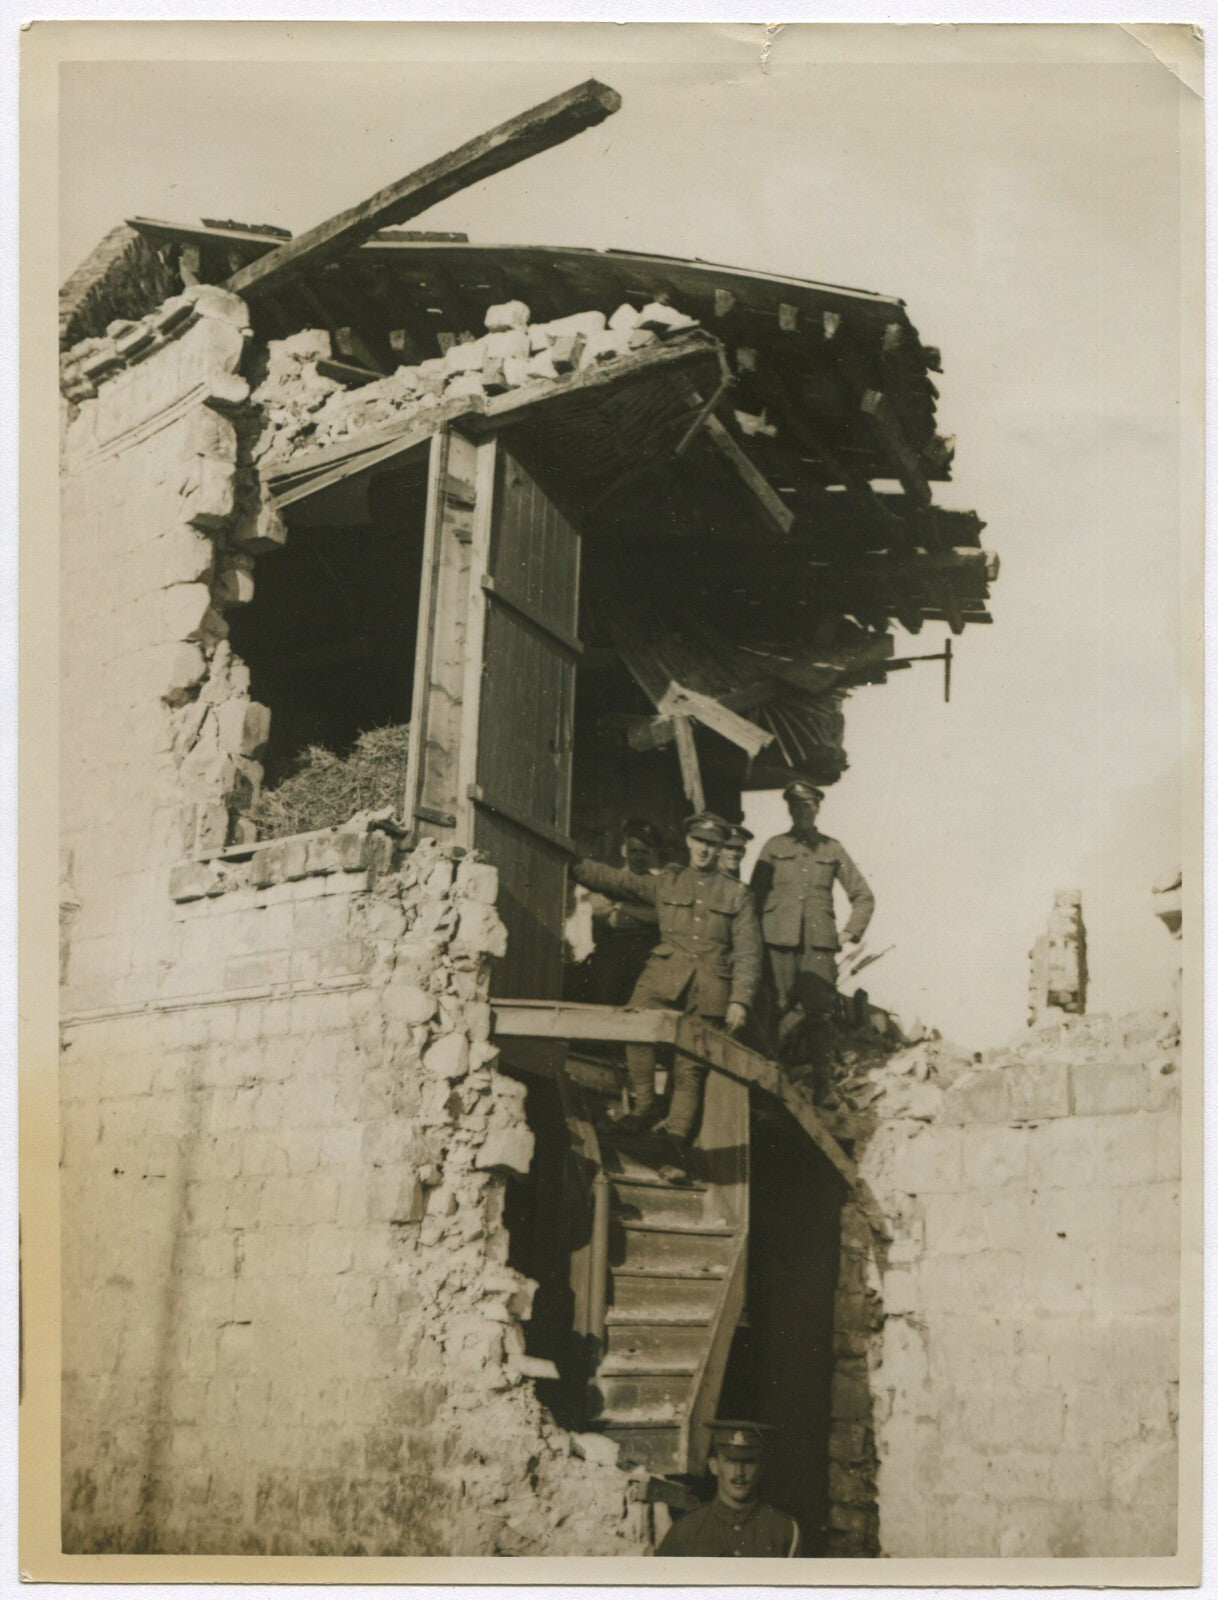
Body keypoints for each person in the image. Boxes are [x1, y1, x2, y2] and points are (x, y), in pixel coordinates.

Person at [570, 813, 762, 1181]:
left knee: (690, 1070)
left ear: (720, 848)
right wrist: (573, 863)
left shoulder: (737, 895)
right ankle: (644, 1105)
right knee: (635, 1024)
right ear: (689, 843)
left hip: (710, 988)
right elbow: (617, 881)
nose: (704, 849)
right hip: (664, 976)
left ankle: (673, 1149)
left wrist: (741, 999)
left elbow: (749, 952)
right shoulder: (669, 881)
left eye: (712, 844)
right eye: (699, 842)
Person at [750, 780, 874, 1099]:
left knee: (820, 1014)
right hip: (777, 942)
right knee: (774, 1009)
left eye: (808, 805)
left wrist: (848, 933)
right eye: (796, 805)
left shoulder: (832, 849)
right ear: (789, 809)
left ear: (817, 808)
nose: (802, 811)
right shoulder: (773, 847)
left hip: (818, 946)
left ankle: (823, 1087)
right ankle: (770, 1082)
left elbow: (863, 895)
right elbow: (754, 898)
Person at [656, 1420, 801, 1557]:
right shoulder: (686, 1529)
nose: (739, 1473)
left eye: (748, 1462)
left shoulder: (784, 1531)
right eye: (730, 1461)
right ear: (714, 1465)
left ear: (762, 1467)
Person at [582, 819, 663, 1005]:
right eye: (634, 851)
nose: (638, 857)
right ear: (624, 851)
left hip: (645, 958)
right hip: (612, 956)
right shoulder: (609, 880)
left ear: (651, 854)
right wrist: (646, 915)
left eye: (644, 852)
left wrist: (620, 908)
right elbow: (604, 920)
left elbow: (662, 918)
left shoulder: (658, 885)